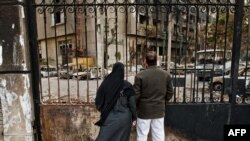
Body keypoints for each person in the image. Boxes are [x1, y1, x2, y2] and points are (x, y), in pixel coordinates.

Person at [133, 51, 174, 141]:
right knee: (158, 134)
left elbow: (135, 95)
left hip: (144, 111)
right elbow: (170, 92)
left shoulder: (140, 76)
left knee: (142, 135)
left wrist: (136, 108)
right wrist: (163, 101)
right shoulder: (166, 74)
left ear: (145, 61)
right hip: (159, 109)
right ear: (157, 60)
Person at [95, 62, 136, 141]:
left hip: (109, 117)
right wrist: (134, 117)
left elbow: (98, 102)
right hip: (125, 120)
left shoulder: (106, 84)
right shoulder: (127, 85)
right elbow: (132, 105)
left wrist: (104, 110)